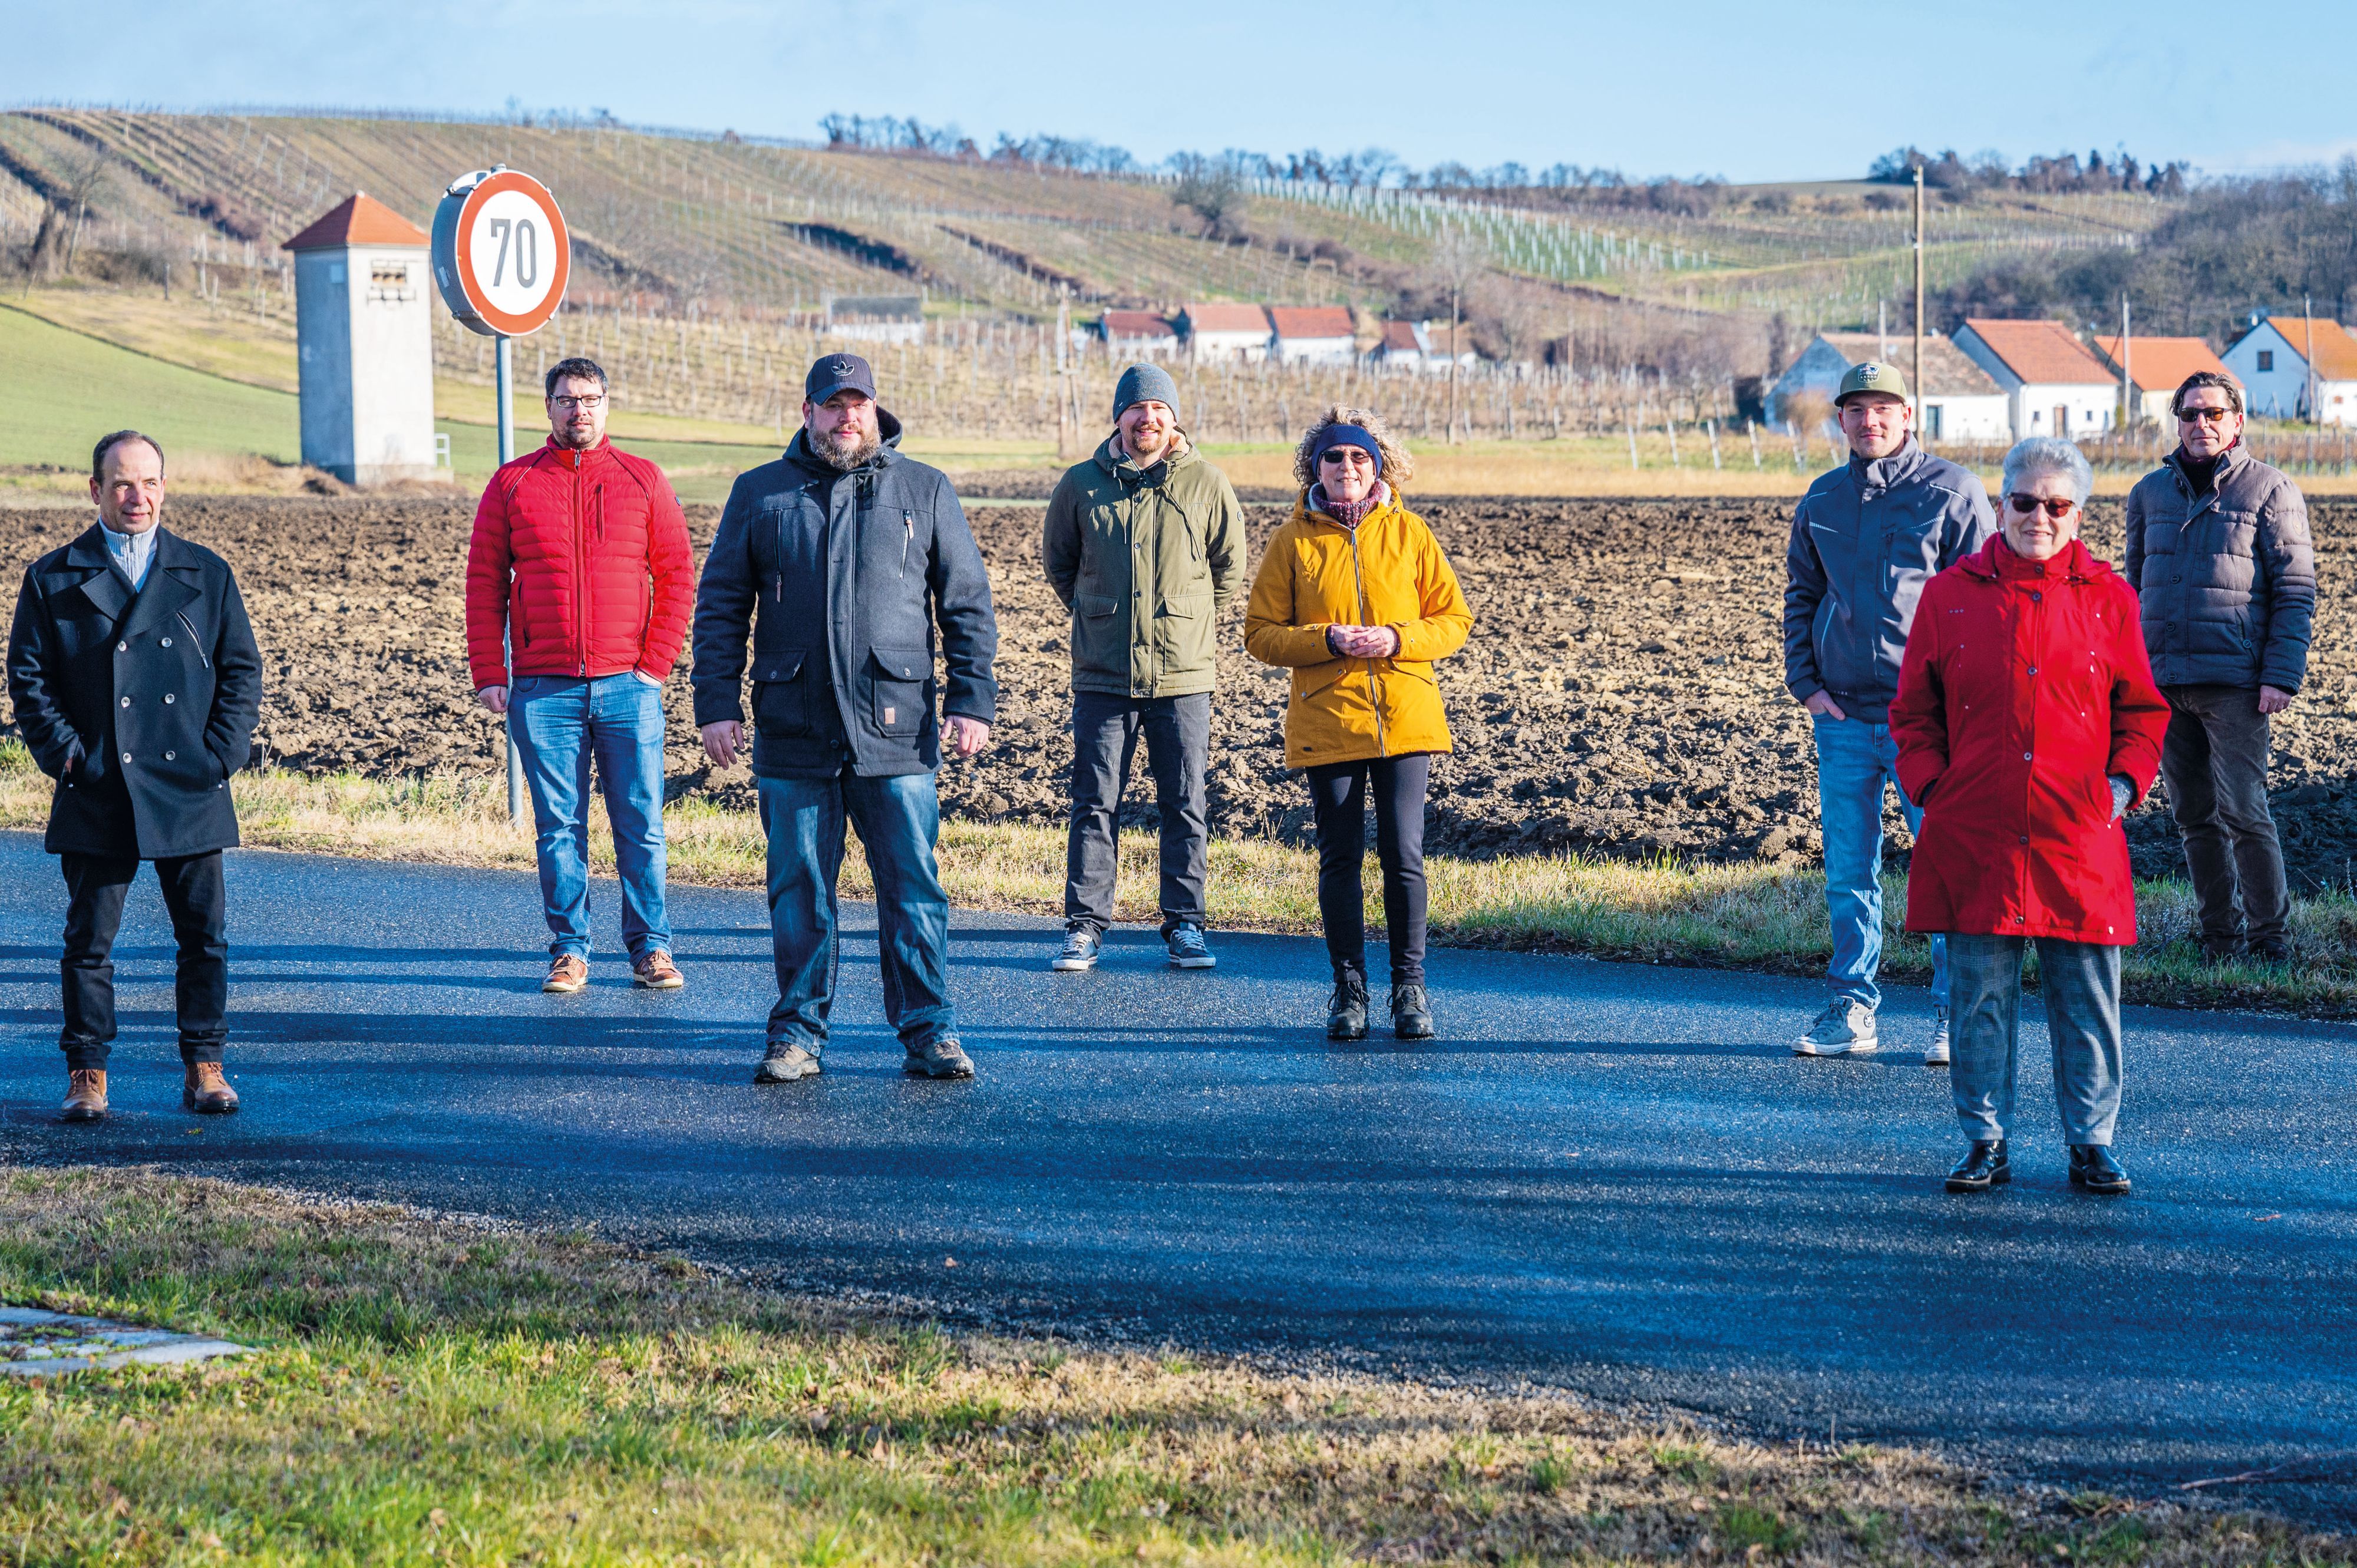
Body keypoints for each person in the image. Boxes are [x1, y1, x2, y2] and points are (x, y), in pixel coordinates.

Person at [692, 352, 999, 1082]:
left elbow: (966, 604)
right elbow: (722, 606)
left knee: (913, 889)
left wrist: (971, 699)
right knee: (797, 892)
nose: (846, 416)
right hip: (794, 727)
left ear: (875, 409)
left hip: (895, 728)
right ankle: (797, 1034)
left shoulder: (923, 489)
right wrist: (715, 704)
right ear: (808, 413)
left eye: (857, 403)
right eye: (832, 405)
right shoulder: (761, 492)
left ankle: (930, 1032)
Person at [1891, 438, 2170, 1195]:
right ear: (2000, 504)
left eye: (2056, 504)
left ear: (2077, 514)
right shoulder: (1949, 596)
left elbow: (2141, 713)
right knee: (1978, 1000)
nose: (2038, 517)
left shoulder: (2110, 599)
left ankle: (2092, 1143)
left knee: (2087, 1002)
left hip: (2076, 835)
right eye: (2023, 501)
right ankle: (1984, 1139)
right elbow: (1912, 714)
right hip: (1975, 833)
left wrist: (2120, 789)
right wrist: (1932, 789)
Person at [6, 431, 262, 1121]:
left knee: (203, 938)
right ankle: (87, 1073)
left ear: (164, 488)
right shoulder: (53, 577)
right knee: (88, 943)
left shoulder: (206, 573)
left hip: (189, 783)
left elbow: (241, 670)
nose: (137, 496)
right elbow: (29, 679)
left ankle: (205, 1066)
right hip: (98, 783)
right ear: (96, 490)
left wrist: (220, 755)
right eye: (122, 483)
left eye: (149, 482)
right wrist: (70, 755)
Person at [1782, 361, 1997, 1063]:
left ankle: (1955, 1015)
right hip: (1843, 718)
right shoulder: (1822, 498)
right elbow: (1802, 594)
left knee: (1947, 867)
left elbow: (1987, 604)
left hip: (1928, 723)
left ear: (1909, 415)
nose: (1869, 420)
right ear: (1841, 419)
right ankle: (1852, 1009)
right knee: (1848, 871)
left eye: (1883, 408)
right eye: (1856, 409)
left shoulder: (1952, 492)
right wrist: (1806, 684)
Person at [465, 356, 696, 995]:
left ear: (606, 405)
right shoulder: (512, 483)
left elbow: (677, 574)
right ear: (548, 407)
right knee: (558, 828)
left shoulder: (642, 479)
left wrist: (654, 667)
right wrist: (490, 670)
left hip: (629, 687)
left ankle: (651, 948)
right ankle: (570, 950)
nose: (579, 410)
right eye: (567, 399)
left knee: (640, 824)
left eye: (590, 399)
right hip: (544, 688)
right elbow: (484, 582)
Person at [1244, 408, 1472, 1042]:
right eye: (1334, 457)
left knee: (1404, 856)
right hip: (1328, 718)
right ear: (1314, 468)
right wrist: (1329, 638)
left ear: (1378, 465)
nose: (1347, 466)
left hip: (1406, 716)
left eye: (1359, 457)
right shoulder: (1292, 541)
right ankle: (1349, 991)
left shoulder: (1411, 533)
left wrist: (1398, 638)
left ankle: (1410, 990)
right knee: (1340, 858)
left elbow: (1453, 620)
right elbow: (1260, 634)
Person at [1041, 362, 1246, 974]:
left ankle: (1186, 925)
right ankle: (1084, 926)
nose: (1147, 419)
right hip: (1103, 674)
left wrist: (1184, 619)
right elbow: (1060, 564)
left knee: (1185, 802)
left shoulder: (1206, 482)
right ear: (1119, 418)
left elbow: (1229, 569)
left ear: (1173, 418)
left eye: (1158, 409)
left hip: (1182, 676)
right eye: (1137, 409)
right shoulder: (1081, 484)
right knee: (1094, 802)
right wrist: (1099, 613)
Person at [2123, 371, 2315, 964]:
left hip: (2235, 682)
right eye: (2189, 414)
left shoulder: (2270, 489)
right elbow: (2133, 589)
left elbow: (2295, 591)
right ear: (2176, 421)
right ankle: (2219, 938)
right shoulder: (2148, 493)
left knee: (2244, 812)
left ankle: (2269, 940)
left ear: (2237, 421)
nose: (2200, 424)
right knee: (2192, 817)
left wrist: (2280, 675)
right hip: (2164, 683)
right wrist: (2129, 672)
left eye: (2212, 413)